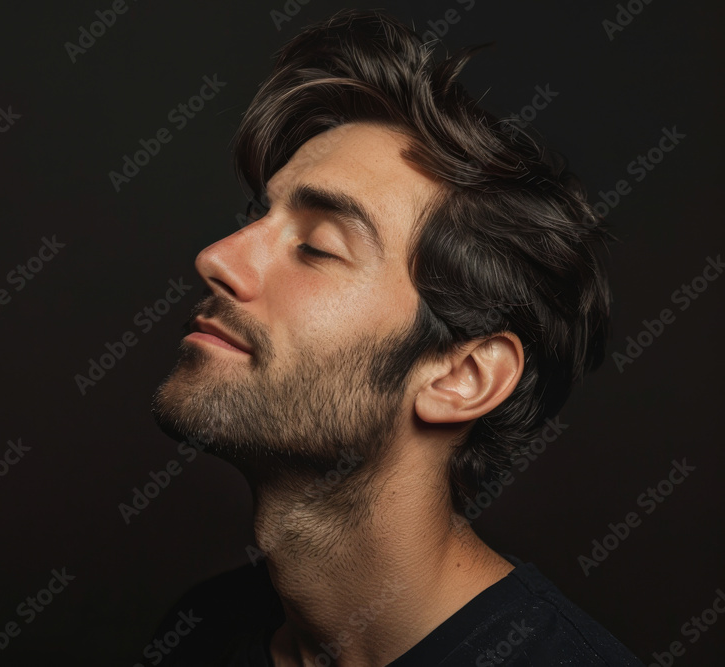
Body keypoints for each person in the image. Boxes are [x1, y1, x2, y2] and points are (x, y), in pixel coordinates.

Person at [148, 9, 643, 666]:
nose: (216, 257)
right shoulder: (200, 630)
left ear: (460, 375)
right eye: (257, 216)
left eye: (318, 247)